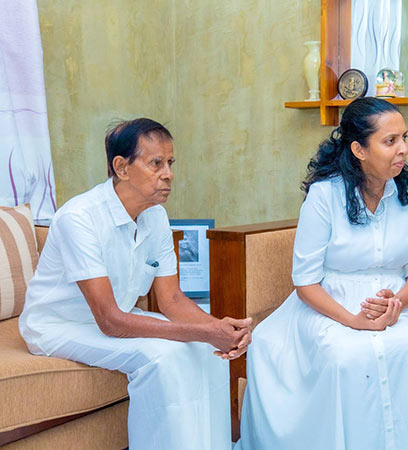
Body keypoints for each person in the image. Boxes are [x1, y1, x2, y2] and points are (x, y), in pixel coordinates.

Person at [19, 118, 252, 450]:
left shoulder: (155, 216)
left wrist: (221, 330)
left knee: (209, 353)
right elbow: (111, 321)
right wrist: (204, 331)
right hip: (59, 325)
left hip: (115, 317)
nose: (168, 173)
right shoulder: (78, 218)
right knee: (161, 358)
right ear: (121, 167)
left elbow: (170, 299)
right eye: (156, 163)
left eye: (170, 163)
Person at [236, 97, 408, 450]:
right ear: (358, 149)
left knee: (401, 345)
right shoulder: (324, 195)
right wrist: (352, 320)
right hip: (328, 303)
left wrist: (398, 303)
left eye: (404, 137)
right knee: (344, 353)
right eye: (390, 141)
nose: (403, 149)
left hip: (393, 304)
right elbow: (305, 282)